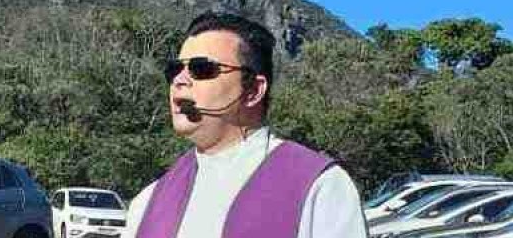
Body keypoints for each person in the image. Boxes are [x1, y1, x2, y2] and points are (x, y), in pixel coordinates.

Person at [125, 12, 367, 238]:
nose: (180, 80)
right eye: (175, 69)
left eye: (202, 69)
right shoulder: (148, 202)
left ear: (253, 90)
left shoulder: (319, 187)